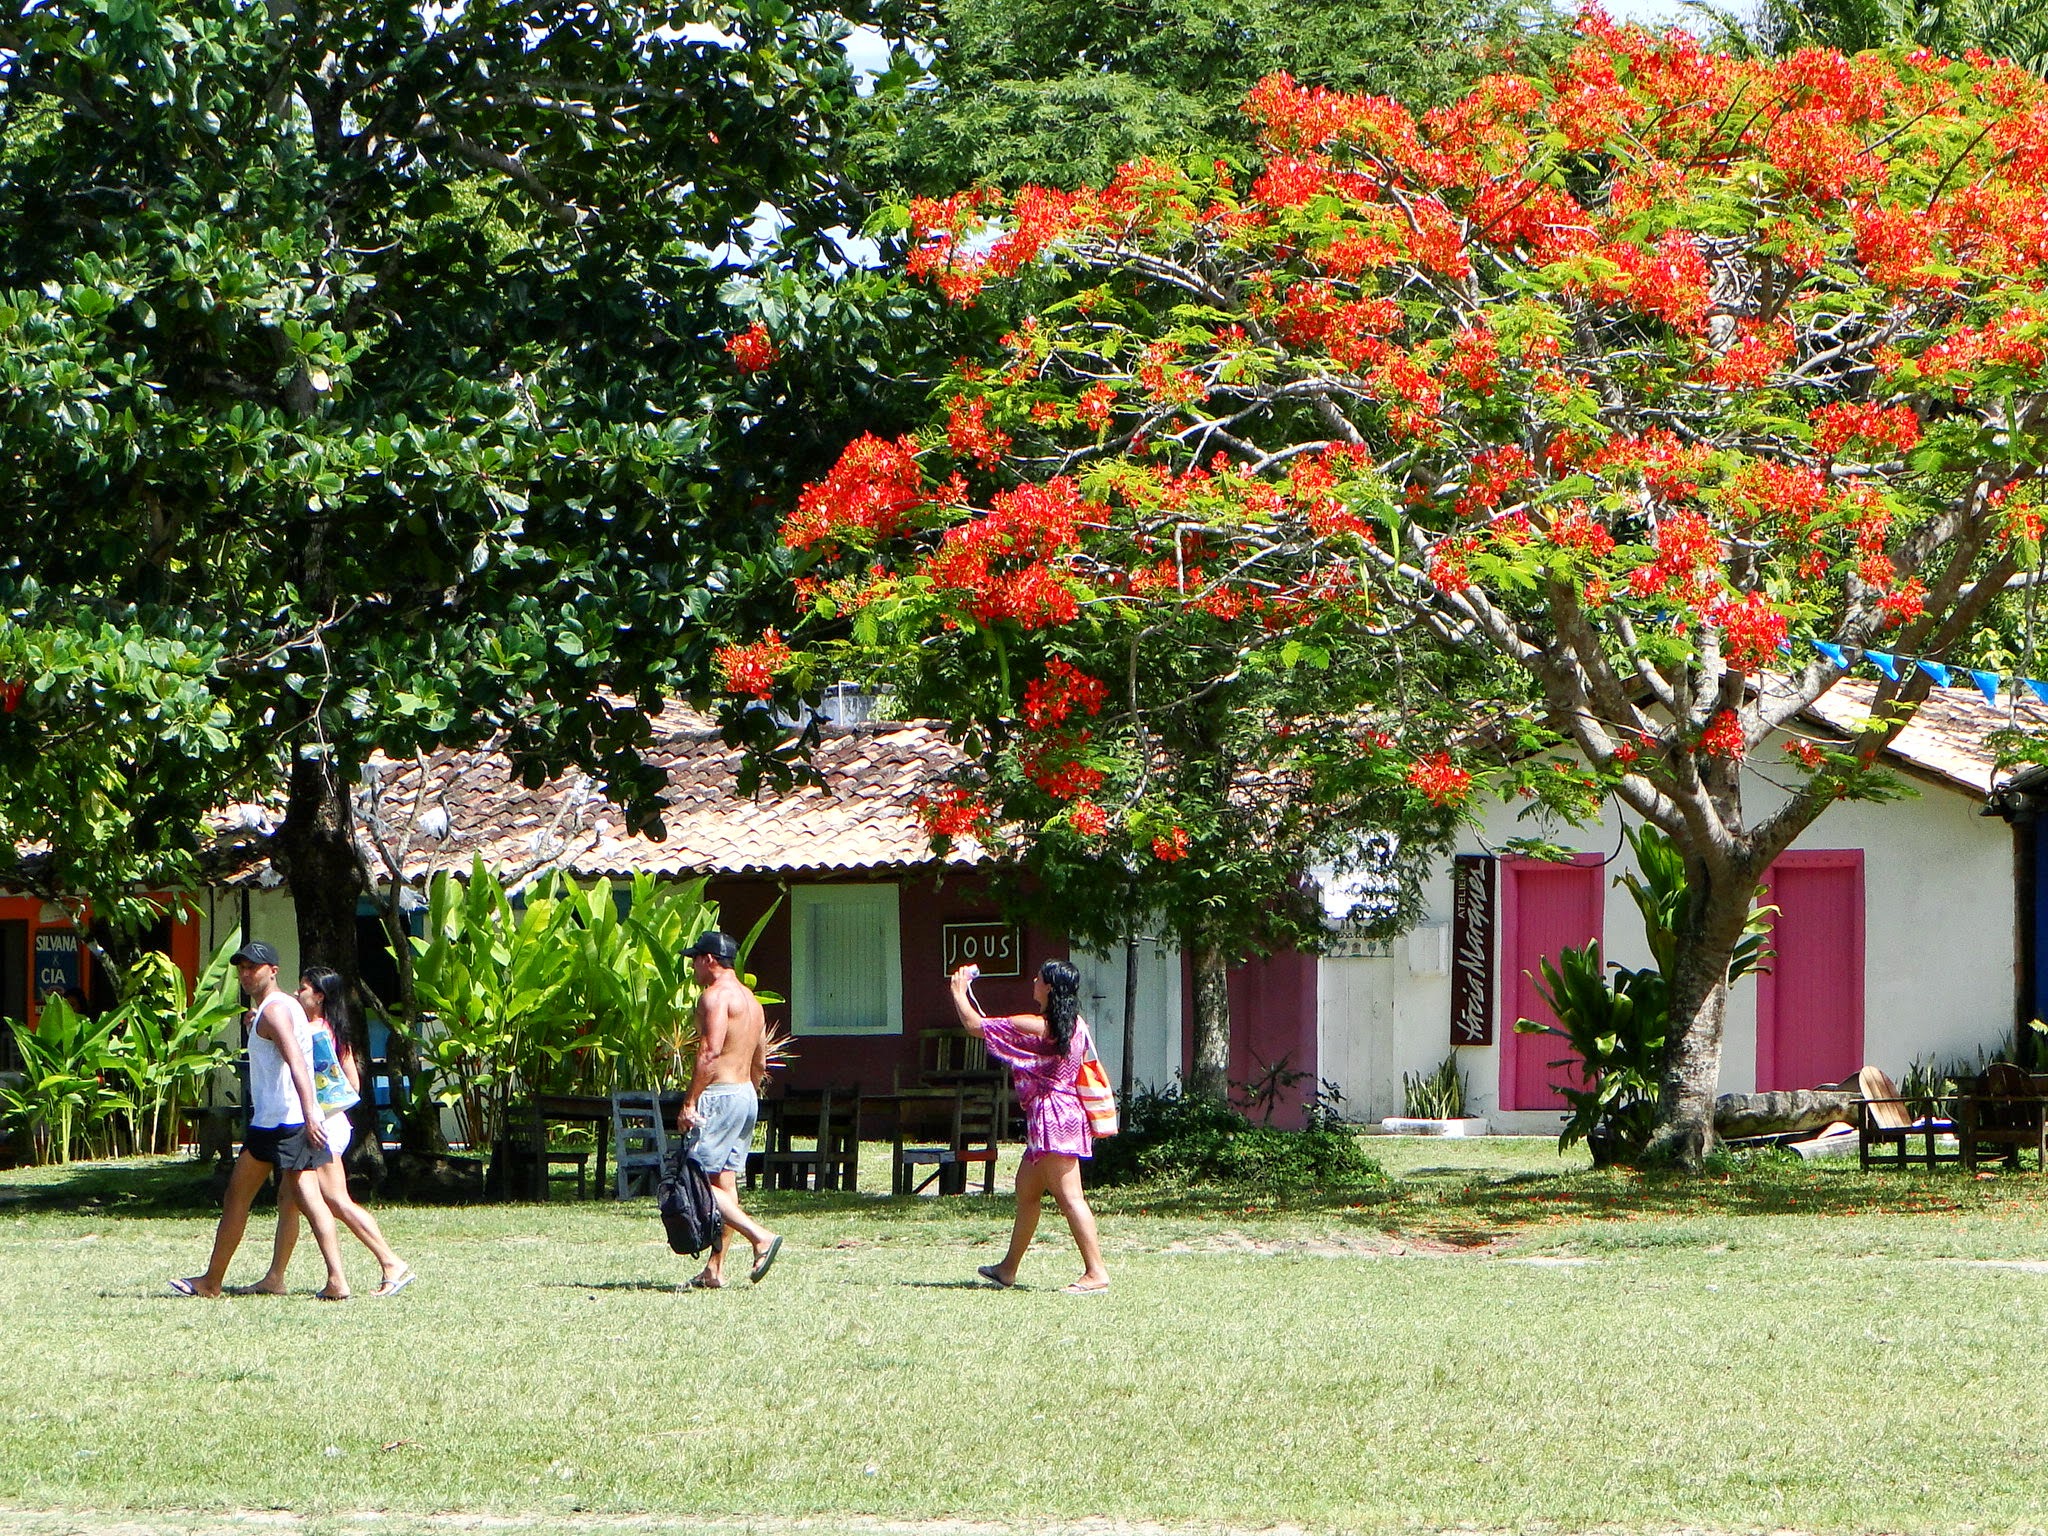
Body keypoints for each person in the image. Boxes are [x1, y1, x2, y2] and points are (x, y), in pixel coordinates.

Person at [171, 942, 351, 1300]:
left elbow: (297, 1061)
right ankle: (211, 1281)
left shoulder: (275, 1012)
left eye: (254, 967)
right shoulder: (277, 1008)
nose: (246, 973)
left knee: (311, 1202)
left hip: (288, 1122)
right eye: (241, 967)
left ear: (273, 970)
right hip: (269, 1123)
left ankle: (337, 1280)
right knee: (237, 1196)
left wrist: (310, 1113)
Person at [232, 966, 416, 1298]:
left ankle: (391, 1263)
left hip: (320, 1123)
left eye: (302, 989)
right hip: (331, 1119)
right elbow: (352, 1082)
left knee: (334, 1198)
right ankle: (275, 1277)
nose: (295, 994)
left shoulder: (312, 1030)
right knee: (288, 1199)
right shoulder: (330, 1029)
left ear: (318, 996)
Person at [949, 959, 1110, 1294]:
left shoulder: (1037, 1026)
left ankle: (1096, 1272)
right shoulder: (1075, 1025)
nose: (1033, 981)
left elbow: (974, 1025)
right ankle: (1007, 1269)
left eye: (1038, 978)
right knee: (1027, 1191)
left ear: (1049, 987)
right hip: (1058, 1117)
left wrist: (958, 990)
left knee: (1070, 1200)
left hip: (1053, 1119)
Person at [675, 930, 781, 1289]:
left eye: (694, 959)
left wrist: (690, 1101)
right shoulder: (752, 1001)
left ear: (709, 960)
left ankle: (759, 1237)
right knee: (724, 1181)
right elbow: (761, 1058)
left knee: (695, 1181)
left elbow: (709, 1051)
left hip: (719, 1095)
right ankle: (714, 1269)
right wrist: (749, 1094)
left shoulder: (714, 997)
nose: (692, 967)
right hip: (745, 1094)